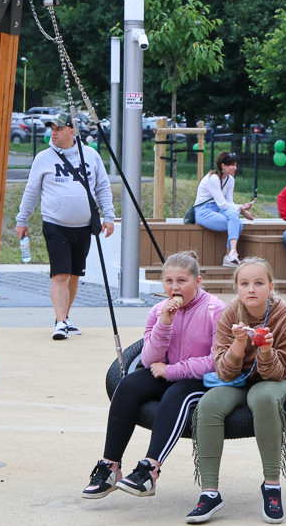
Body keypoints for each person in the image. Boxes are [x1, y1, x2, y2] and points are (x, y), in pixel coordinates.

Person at [82, 251, 227, 499]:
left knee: (176, 394)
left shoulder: (217, 310)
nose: (174, 287)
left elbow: (217, 361)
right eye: (168, 281)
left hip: (200, 379)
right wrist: (165, 323)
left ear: (198, 282)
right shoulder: (159, 310)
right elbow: (149, 359)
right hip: (165, 370)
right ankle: (110, 466)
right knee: (128, 385)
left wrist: (173, 371)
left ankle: (150, 469)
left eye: (182, 281)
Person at [187, 257, 286, 524]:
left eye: (259, 283)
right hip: (237, 381)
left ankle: (272, 485)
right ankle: (209, 491)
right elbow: (224, 372)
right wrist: (239, 345)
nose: (251, 289)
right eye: (245, 283)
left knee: (262, 397)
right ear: (237, 288)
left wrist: (264, 349)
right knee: (209, 404)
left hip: (274, 380)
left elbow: (278, 372)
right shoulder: (229, 315)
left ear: (271, 287)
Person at [15, 113, 115, 340]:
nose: (54, 132)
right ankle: (60, 321)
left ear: (72, 131)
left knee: (73, 275)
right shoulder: (44, 158)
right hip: (55, 224)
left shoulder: (90, 155)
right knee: (60, 274)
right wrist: (22, 220)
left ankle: (65, 317)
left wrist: (109, 216)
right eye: (52, 128)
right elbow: (32, 191)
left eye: (59, 128)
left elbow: (103, 187)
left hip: (84, 226)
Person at [193, 151, 255, 266]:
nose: (235, 168)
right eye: (232, 165)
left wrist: (243, 211)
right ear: (223, 166)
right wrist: (241, 208)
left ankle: (229, 255)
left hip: (219, 209)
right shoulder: (213, 178)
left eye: (236, 165)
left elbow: (229, 202)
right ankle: (232, 252)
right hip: (203, 211)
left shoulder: (230, 180)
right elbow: (222, 203)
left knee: (237, 222)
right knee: (234, 223)